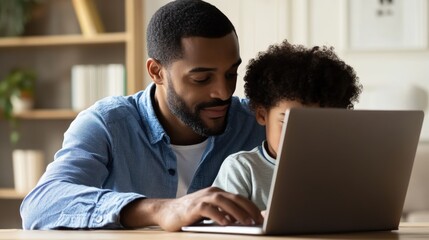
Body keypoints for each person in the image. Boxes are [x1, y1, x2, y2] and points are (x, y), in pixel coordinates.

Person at [20, 0, 265, 231]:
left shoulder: (259, 123)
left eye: (231, 74)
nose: (223, 92)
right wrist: (160, 209)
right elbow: (40, 205)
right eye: (201, 78)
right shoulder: (107, 124)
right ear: (156, 72)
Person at [212, 40, 362, 210]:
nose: (305, 136)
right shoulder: (242, 169)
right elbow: (224, 227)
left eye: (320, 124)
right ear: (262, 115)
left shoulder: (340, 169)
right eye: (289, 122)